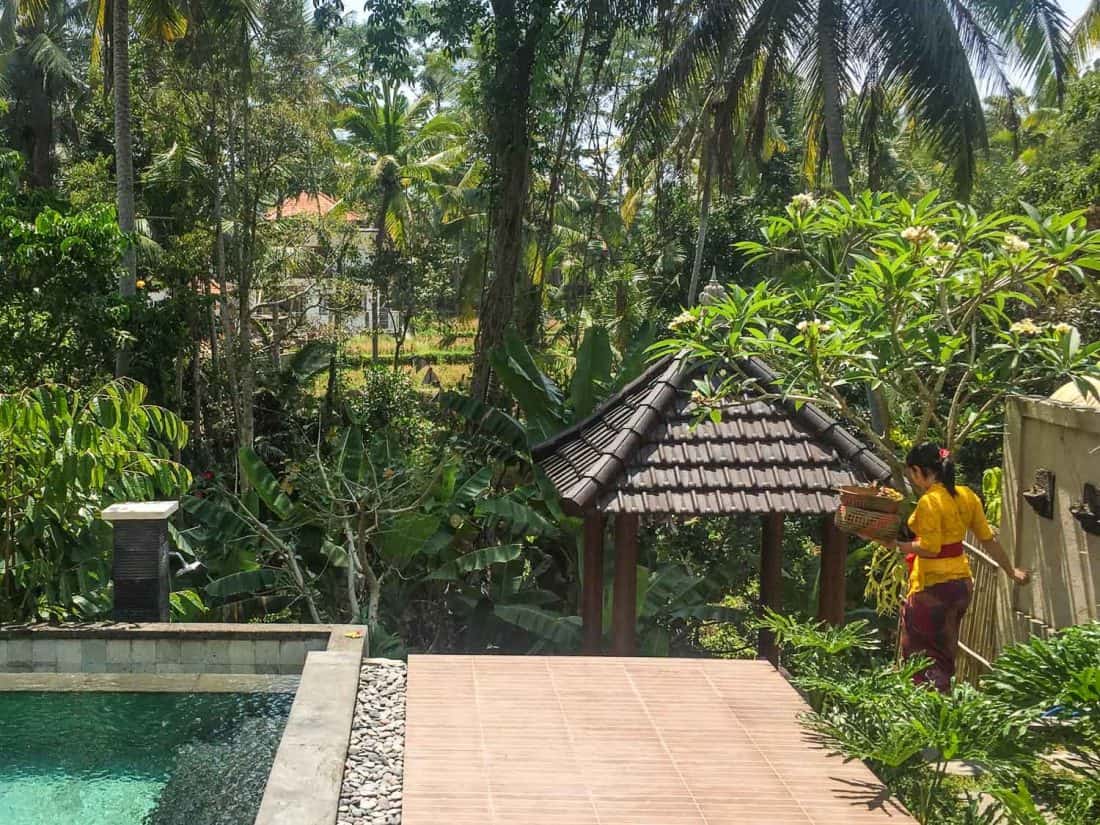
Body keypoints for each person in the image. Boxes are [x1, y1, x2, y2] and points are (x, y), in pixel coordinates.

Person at [866, 443, 1031, 693]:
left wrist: (898, 545)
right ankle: (944, 707)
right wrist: (1011, 571)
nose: (912, 478)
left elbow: (930, 548)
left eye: (912, 473)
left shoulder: (930, 502)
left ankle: (927, 710)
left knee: (922, 655)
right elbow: (988, 539)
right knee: (944, 652)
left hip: (933, 587)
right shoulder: (967, 496)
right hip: (961, 586)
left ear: (919, 470)